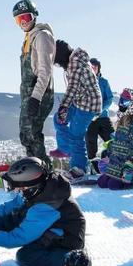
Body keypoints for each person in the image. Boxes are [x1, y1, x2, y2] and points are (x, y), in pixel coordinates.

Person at [0, 157, 92, 266]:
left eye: (19, 188)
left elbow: (20, 237)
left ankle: (73, 258)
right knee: (13, 217)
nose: (17, 191)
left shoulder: (47, 206)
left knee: (26, 256)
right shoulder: (37, 189)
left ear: (30, 187)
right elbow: (14, 204)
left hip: (65, 236)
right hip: (49, 224)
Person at [13, 0, 55, 168]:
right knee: (26, 134)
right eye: (19, 19)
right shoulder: (29, 38)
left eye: (26, 17)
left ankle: (44, 171)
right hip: (29, 94)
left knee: (32, 133)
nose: (23, 22)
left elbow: (45, 71)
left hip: (39, 93)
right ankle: (33, 169)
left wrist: (35, 98)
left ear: (34, 16)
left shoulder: (42, 36)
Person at [50, 40, 102, 173]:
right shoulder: (74, 62)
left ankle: (79, 169)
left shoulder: (76, 64)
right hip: (79, 101)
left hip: (88, 105)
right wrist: (63, 110)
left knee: (75, 135)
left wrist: (63, 107)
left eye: (57, 62)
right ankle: (65, 149)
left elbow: (72, 88)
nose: (58, 65)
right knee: (58, 119)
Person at [85, 58, 114, 172]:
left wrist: (100, 110)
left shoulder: (103, 82)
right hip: (89, 119)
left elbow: (110, 98)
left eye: (95, 67)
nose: (93, 69)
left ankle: (113, 162)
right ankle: (94, 167)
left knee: (112, 139)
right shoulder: (85, 82)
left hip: (103, 117)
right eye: (90, 67)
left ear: (98, 69)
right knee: (90, 141)